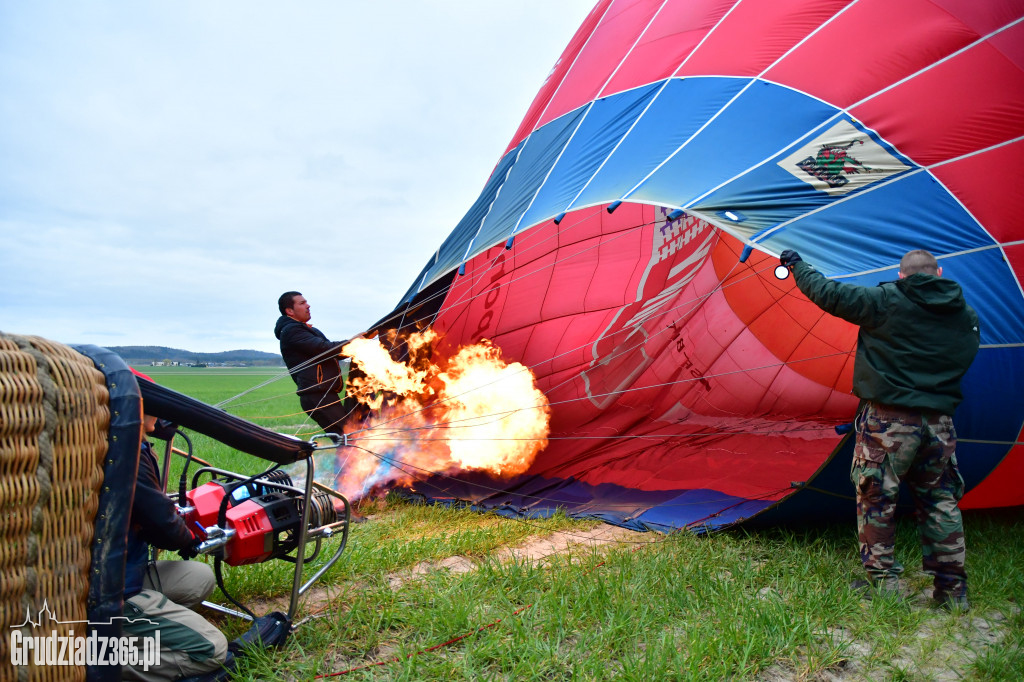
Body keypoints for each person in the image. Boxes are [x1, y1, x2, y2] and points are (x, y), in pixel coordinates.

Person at [779, 248, 979, 611]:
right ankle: (953, 592)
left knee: (876, 500)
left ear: (902, 276)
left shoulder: (886, 300)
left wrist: (797, 265)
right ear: (939, 273)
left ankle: (883, 586)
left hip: (889, 422)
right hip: (939, 423)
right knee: (940, 501)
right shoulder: (964, 313)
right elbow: (967, 355)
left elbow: (828, 293)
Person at [121, 397, 230, 680]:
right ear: (136, 409)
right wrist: (188, 539)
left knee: (200, 577)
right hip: (112, 592)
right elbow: (160, 521)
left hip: (128, 571)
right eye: (154, 406)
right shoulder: (125, 452)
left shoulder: (133, 443)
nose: (162, 415)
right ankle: (95, 660)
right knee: (213, 649)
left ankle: (142, 630)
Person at [274, 291, 360, 434]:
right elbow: (325, 349)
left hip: (325, 394)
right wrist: (354, 343)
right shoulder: (292, 331)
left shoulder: (309, 330)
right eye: (302, 303)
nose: (308, 305)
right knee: (350, 436)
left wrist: (357, 345)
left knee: (348, 438)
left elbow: (335, 353)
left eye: (306, 302)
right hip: (317, 396)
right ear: (289, 311)